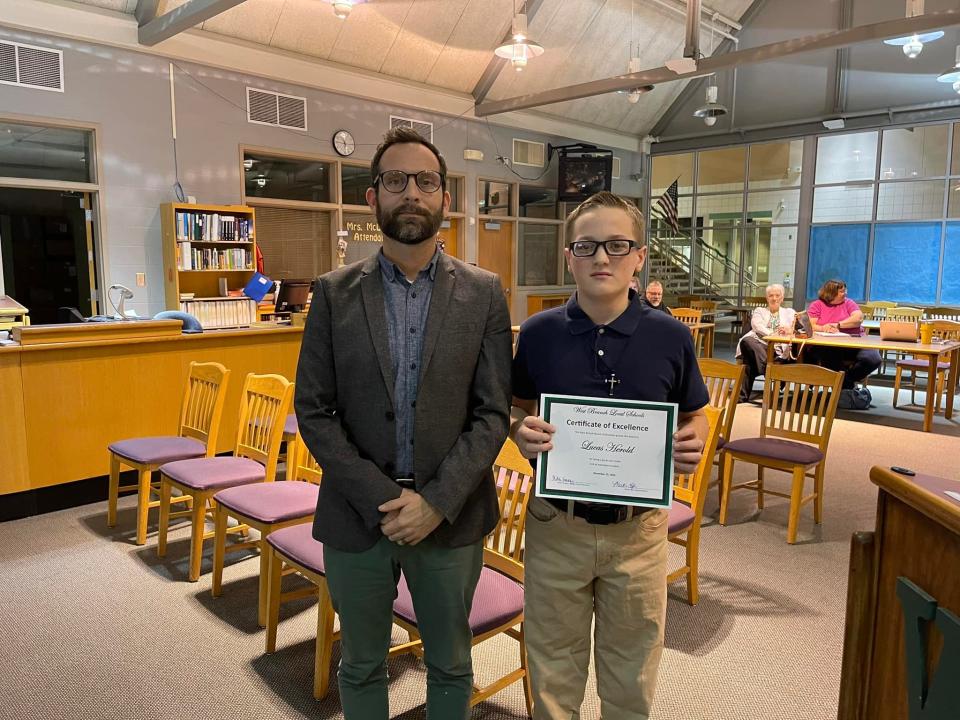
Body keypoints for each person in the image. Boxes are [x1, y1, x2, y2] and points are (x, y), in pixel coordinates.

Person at [294, 127, 513, 720]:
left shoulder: (485, 293)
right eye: (396, 180)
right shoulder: (334, 294)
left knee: (450, 665)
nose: (411, 192)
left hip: (453, 515)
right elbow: (314, 410)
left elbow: (493, 411)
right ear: (373, 198)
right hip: (357, 516)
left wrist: (435, 502)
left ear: (444, 197)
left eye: (426, 181)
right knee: (361, 665)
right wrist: (385, 499)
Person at [511, 192, 709, 720]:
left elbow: (694, 414)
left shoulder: (670, 335)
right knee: (553, 667)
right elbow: (517, 408)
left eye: (618, 245)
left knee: (632, 670)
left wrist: (693, 438)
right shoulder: (537, 334)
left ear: (640, 256)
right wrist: (518, 432)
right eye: (588, 246)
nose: (602, 258)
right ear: (568, 256)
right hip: (556, 525)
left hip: (639, 532)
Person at [806, 279, 881, 389]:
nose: (845, 293)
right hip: (828, 345)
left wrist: (838, 325)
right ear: (830, 293)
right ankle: (845, 390)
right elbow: (811, 325)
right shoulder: (817, 305)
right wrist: (823, 328)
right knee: (829, 356)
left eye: (845, 290)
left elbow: (858, 318)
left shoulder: (848, 303)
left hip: (855, 343)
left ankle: (845, 382)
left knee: (873, 359)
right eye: (841, 291)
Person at [735, 283, 797, 402]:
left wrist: (789, 330)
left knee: (749, 362)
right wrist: (773, 334)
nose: (774, 298)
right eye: (771, 296)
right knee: (746, 341)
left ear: (782, 298)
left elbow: (797, 329)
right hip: (760, 345)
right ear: (767, 298)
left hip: (778, 350)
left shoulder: (789, 312)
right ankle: (768, 371)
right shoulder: (760, 311)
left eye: (777, 295)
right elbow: (757, 326)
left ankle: (742, 396)